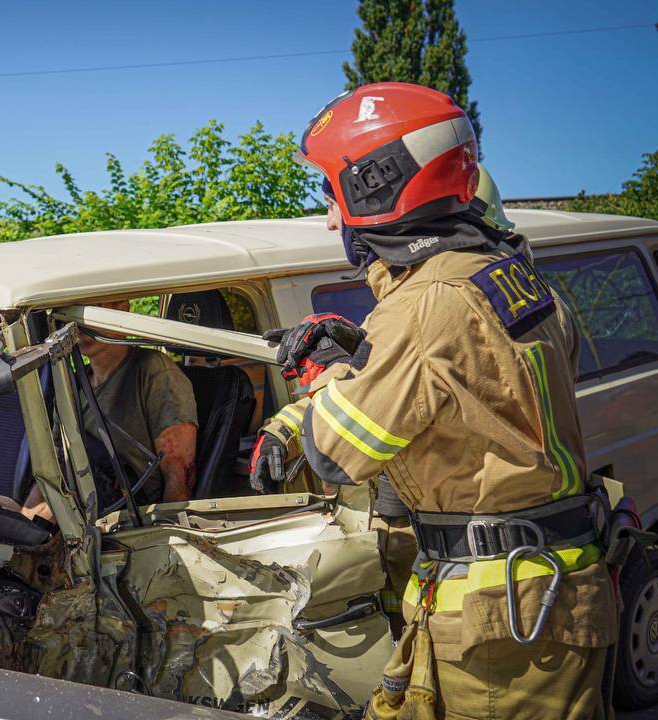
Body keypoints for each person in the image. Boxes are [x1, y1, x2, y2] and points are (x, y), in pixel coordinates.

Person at [249, 83, 614, 719]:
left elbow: (338, 453)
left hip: (503, 616)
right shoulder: (511, 277)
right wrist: (365, 355)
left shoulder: (426, 304)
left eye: (334, 193)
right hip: (532, 592)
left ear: (376, 185)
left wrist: (324, 369)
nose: (332, 218)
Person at [24, 299, 197, 519]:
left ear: (122, 309)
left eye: (90, 310)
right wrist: (24, 523)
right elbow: (55, 472)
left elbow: (179, 471)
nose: (77, 325)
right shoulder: (71, 386)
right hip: (77, 511)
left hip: (128, 518)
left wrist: (164, 538)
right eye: (71, 313)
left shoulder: (154, 372)